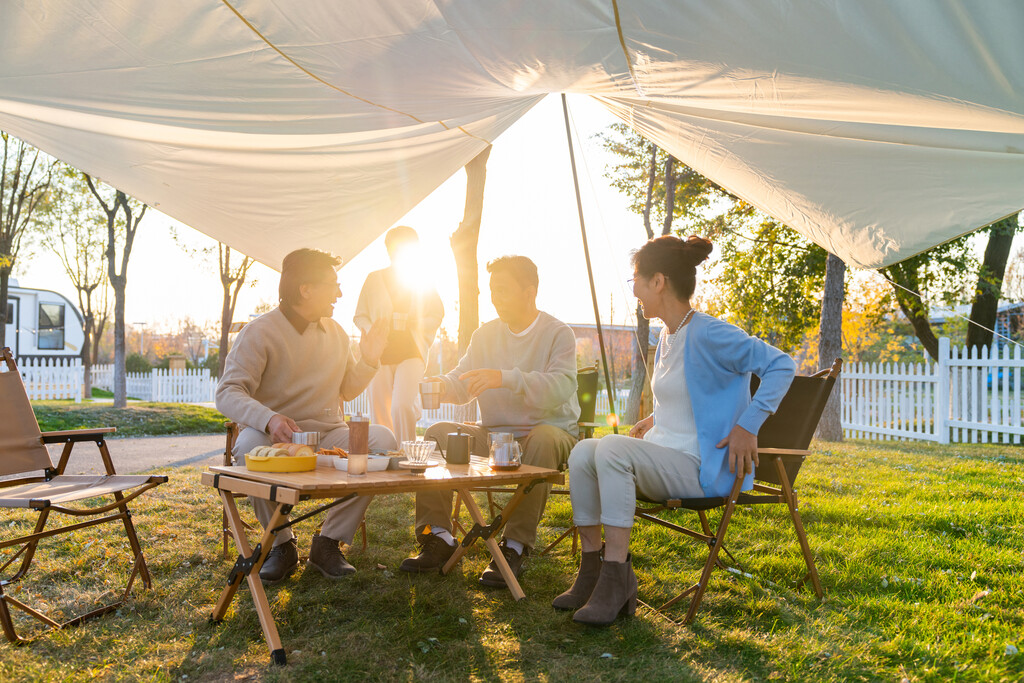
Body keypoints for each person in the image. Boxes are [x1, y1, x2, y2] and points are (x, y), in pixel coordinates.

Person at [554, 235, 796, 626]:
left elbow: (782, 365)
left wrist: (747, 426)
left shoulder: (710, 332)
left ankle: (616, 577)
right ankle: (593, 571)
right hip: (671, 457)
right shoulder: (668, 334)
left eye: (636, 280)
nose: (633, 290)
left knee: (612, 450)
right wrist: (657, 419)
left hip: (703, 468)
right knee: (584, 452)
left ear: (658, 281)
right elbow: (690, 394)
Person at [216, 248, 397, 585]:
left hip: (328, 435)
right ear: (306, 289)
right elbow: (227, 393)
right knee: (249, 446)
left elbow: (347, 389)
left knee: (382, 440)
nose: (340, 294)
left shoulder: (339, 334)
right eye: (333, 285)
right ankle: (281, 544)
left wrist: (370, 360)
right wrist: (269, 419)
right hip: (275, 439)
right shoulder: (259, 333)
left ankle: (328, 542)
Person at [399, 255, 580, 587]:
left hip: (547, 433)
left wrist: (504, 378)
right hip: (495, 437)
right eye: (492, 291)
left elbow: (560, 387)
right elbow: (463, 380)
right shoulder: (484, 336)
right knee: (438, 432)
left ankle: (514, 546)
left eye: (503, 291)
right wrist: (440, 385)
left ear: (530, 291)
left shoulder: (558, 334)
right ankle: (437, 535)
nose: (495, 298)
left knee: (542, 438)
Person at [354, 226, 444, 444]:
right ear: (388, 249)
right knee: (380, 410)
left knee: (402, 405)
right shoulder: (373, 279)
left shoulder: (422, 279)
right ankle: (385, 455)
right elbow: (359, 316)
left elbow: (437, 313)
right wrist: (373, 330)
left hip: (411, 350)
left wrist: (417, 322)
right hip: (380, 352)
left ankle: (407, 455)